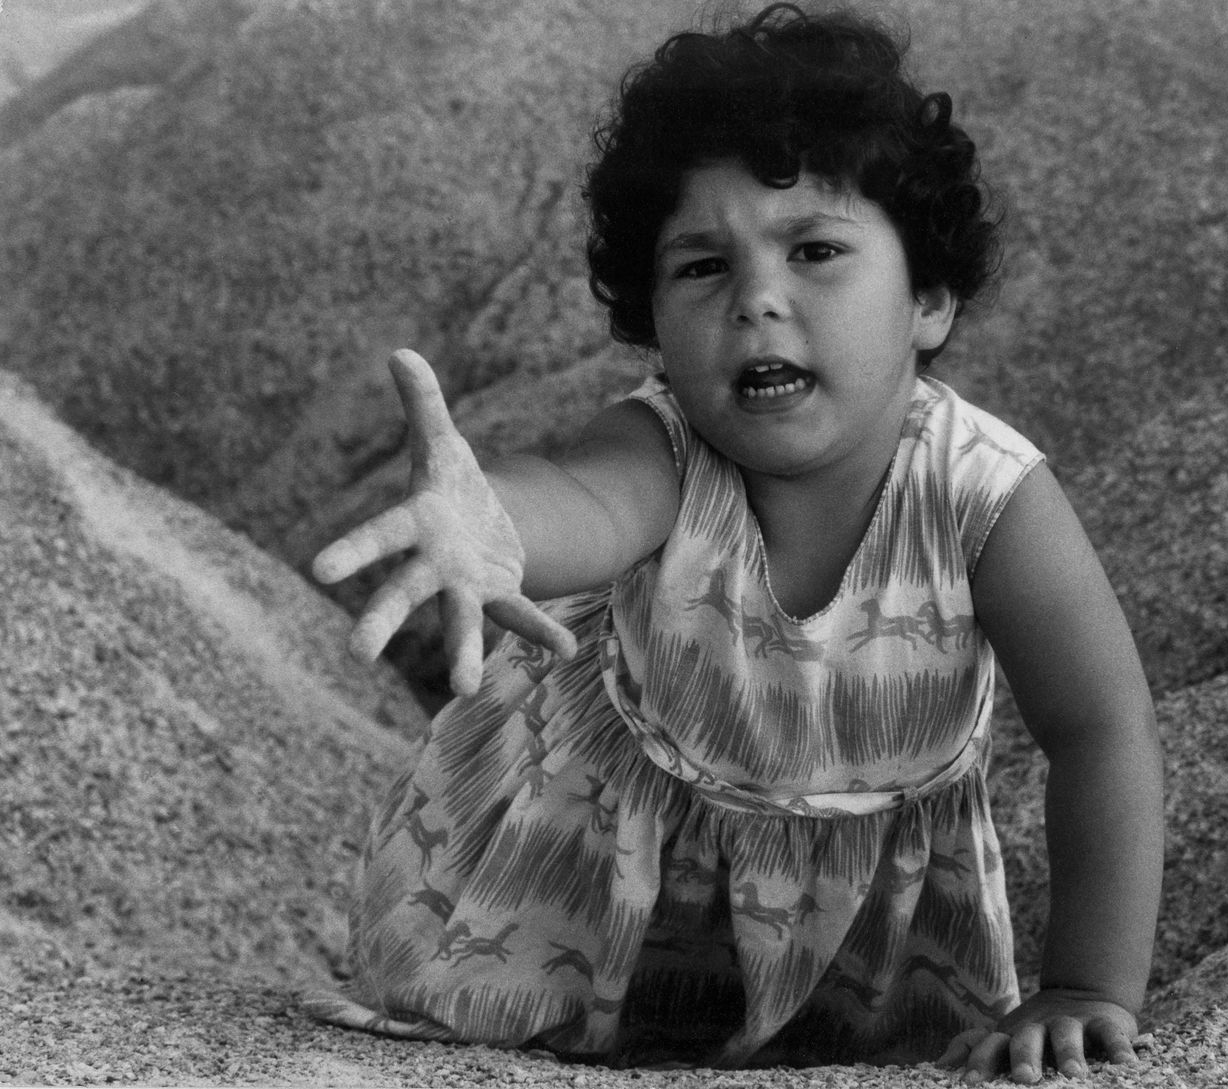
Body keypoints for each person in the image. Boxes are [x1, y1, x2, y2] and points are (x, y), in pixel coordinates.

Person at [302, 3, 1163, 1080]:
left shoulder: (982, 493)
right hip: (591, 915)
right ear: (652, 321)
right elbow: (584, 498)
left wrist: (1086, 984)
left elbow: (1101, 726)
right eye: (702, 267)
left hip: (859, 950)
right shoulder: (664, 445)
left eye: (814, 251)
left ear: (929, 300)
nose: (759, 298)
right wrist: (492, 522)